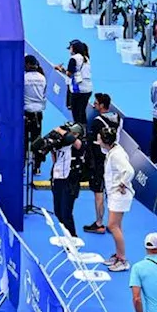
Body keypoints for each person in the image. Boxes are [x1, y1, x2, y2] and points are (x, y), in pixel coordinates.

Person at [83, 92, 121, 236]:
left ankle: (99, 224)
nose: (94, 105)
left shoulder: (97, 122)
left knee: (98, 194)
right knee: (112, 195)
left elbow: (92, 144)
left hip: (99, 163)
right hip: (114, 160)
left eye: (96, 103)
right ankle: (114, 225)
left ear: (102, 105)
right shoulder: (117, 118)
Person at [100, 128, 134, 272]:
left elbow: (130, 171)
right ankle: (118, 255)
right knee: (117, 226)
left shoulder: (116, 155)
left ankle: (122, 260)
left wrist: (122, 183)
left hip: (120, 195)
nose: (98, 140)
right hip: (114, 194)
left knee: (112, 226)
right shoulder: (112, 150)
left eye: (100, 138)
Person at [50, 122, 83, 238]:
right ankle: (67, 235)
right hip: (57, 178)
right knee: (58, 211)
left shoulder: (79, 144)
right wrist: (53, 149)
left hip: (70, 183)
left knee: (66, 213)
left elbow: (77, 144)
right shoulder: (62, 143)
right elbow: (55, 161)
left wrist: (60, 130)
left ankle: (73, 238)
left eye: (74, 134)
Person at [56, 39, 92, 126]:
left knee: (76, 114)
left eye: (70, 48)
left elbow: (69, 74)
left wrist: (61, 70)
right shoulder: (86, 58)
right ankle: (84, 132)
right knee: (82, 112)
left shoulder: (73, 59)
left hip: (78, 90)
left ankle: (78, 132)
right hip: (88, 89)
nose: (69, 50)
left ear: (74, 49)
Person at [24, 55, 47, 160]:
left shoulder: (23, 78)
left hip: (26, 112)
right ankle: (37, 165)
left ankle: (22, 164)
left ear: (28, 64)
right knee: (37, 139)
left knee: (23, 139)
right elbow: (44, 94)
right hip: (38, 113)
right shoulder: (43, 78)